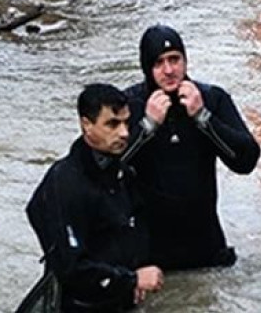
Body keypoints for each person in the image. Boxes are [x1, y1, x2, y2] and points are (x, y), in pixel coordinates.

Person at [121, 24, 261, 270]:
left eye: (175, 60)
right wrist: (146, 127)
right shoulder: (130, 104)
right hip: (149, 254)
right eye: (159, 63)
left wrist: (203, 118)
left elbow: (246, 161)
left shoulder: (212, 98)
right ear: (146, 67)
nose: (169, 70)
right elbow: (106, 171)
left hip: (205, 246)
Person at [26, 83, 163, 311]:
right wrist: (132, 279)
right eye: (112, 124)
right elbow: (71, 268)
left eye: (126, 122)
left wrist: (137, 271)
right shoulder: (64, 183)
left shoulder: (122, 173)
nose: (124, 132)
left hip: (122, 299)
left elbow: (137, 225)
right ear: (86, 125)